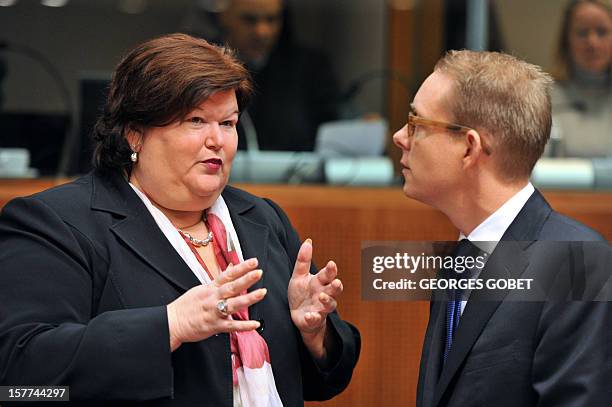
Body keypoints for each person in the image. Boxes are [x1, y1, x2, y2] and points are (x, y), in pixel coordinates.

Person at [0, 34, 360, 406]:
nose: (217, 140)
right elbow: (20, 373)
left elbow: (328, 378)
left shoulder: (262, 219)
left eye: (228, 123)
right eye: (196, 120)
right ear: (134, 134)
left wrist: (313, 333)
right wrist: (170, 325)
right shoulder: (57, 222)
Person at [393, 50, 610, 406]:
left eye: (417, 124)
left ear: (468, 148)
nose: (400, 136)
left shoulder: (577, 263)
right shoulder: (460, 258)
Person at [214, 0, 340, 151]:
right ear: (224, 16)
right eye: (249, 19)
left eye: (271, 19)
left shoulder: (310, 66)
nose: (261, 32)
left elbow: (334, 122)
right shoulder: (203, 61)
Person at [550, 0, 612, 157]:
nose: (592, 43)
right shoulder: (543, 98)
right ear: (566, 41)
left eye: (602, 32)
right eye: (582, 33)